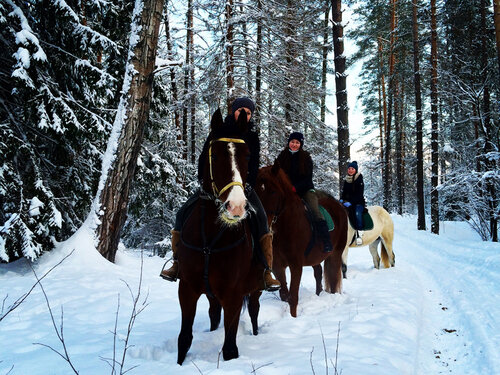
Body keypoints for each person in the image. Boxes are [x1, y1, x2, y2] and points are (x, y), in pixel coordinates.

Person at [160, 97, 281, 291]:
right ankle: (177, 263)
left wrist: (245, 185)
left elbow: (253, 164)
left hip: (241, 187)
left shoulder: (252, 136)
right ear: (233, 110)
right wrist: (203, 181)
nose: (245, 114)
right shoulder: (218, 130)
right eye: (241, 110)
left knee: (260, 219)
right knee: (182, 213)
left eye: (249, 112)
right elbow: (204, 159)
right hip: (214, 187)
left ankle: (266, 270)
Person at [275, 131, 333, 253]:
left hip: (304, 190)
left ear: (300, 144)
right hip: (285, 190)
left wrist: (295, 188)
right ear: (288, 142)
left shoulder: (306, 158)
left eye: (297, 142)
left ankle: (325, 240)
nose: (294, 144)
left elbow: (307, 179)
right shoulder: (282, 156)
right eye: (292, 142)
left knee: (314, 209)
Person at [340, 161, 366, 245]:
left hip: (358, 202)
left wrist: (351, 202)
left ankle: (359, 233)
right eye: (349, 169)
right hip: (347, 202)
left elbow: (359, 194)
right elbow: (344, 192)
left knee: (357, 213)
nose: (350, 170)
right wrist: (342, 199)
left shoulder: (359, 179)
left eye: (352, 169)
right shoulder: (347, 180)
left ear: (356, 170)